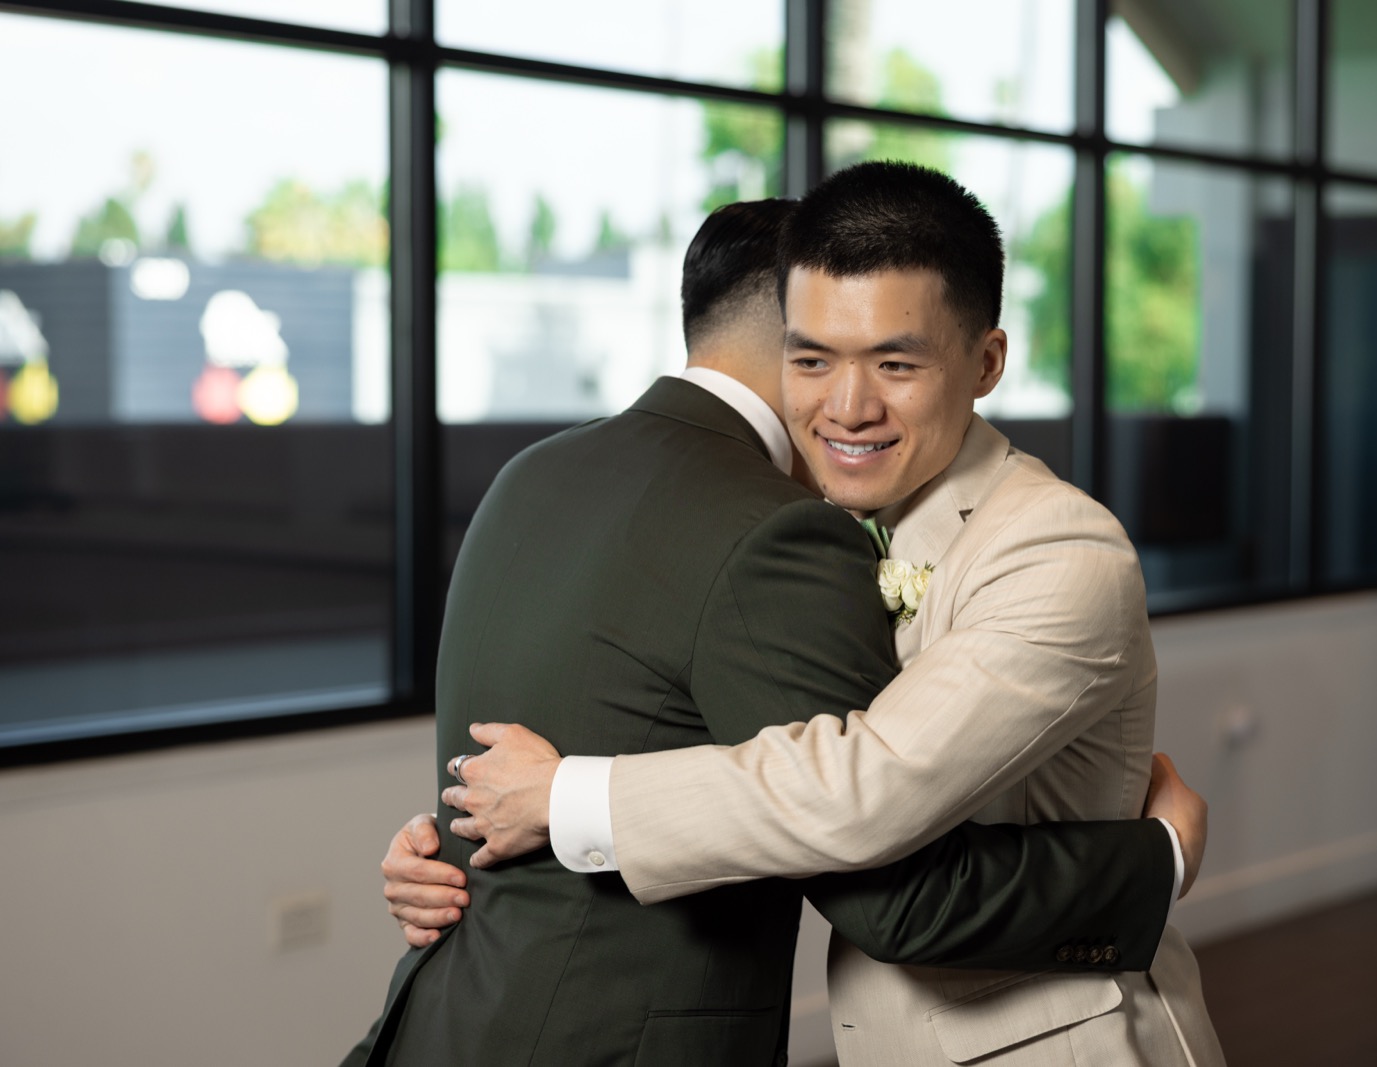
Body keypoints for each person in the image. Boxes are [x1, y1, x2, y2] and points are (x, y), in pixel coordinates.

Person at [344, 195, 1206, 1067]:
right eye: (814, 358)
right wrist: (446, 843)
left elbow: (863, 798)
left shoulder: (1057, 545)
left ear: (985, 363)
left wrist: (566, 798)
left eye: (895, 362)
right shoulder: (788, 518)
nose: (849, 404)